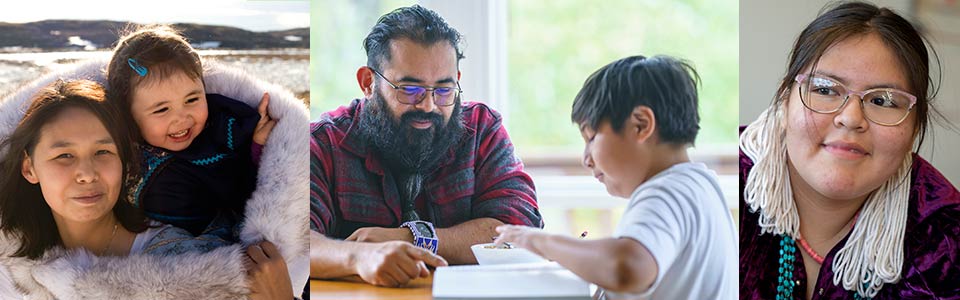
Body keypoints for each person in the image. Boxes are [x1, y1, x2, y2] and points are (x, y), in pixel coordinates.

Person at [310, 5, 543, 286]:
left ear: (457, 81)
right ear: (368, 83)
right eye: (410, 89)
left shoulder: (482, 129)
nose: (429, 105)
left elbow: (521, 231)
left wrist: (413, 237)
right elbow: (291, 242)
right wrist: (358, 257)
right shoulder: (323, 144)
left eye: (444, 90)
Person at [739, 2, 960, 299]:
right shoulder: (722, 187)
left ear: (915, 127)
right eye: (825, 89)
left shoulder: (945, 240)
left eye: (882, 101)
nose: (851, 118)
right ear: (785, 99)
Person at [0, 79, 291, 299]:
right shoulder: (12, 268)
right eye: (64, 155)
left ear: (125, 161)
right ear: (29, 168)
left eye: (103, 152)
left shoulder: (185, 260)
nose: (87, 175)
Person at [495, 55, 738, 299]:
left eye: (591, 138)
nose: (586, 159)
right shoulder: (701, 186)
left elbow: (627, 267)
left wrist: (541, 242)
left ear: (641, 125)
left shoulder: (665, 192)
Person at [105, 24, 277, 236]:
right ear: (128, 115)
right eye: (161, 109)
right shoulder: (114, 154)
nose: (182, 118)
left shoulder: (221, 132)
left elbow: (244, 193)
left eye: (192, 99)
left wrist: (256, 144)